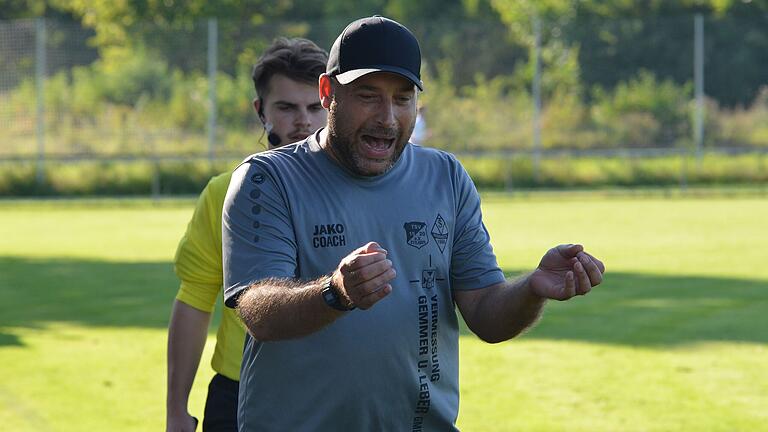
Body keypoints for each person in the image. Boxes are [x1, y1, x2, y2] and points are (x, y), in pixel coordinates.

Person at [222, 16, 605, 431]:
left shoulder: (446, 177)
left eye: (402, 98)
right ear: (328, 92)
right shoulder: (268, 179)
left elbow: (485, 314)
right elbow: (256, 310)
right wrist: (335, 293)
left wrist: (532, 288)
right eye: (368, 95)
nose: (387, 117)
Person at [166, 37, 328, 432]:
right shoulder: (225, 193)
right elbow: (194, 300)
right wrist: (175, 411)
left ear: (332, 104)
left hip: (333, 391)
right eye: (287, 108)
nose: (303, 121)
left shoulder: (367, 188)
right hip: (240, 392)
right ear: (261, 112)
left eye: (314, 107)